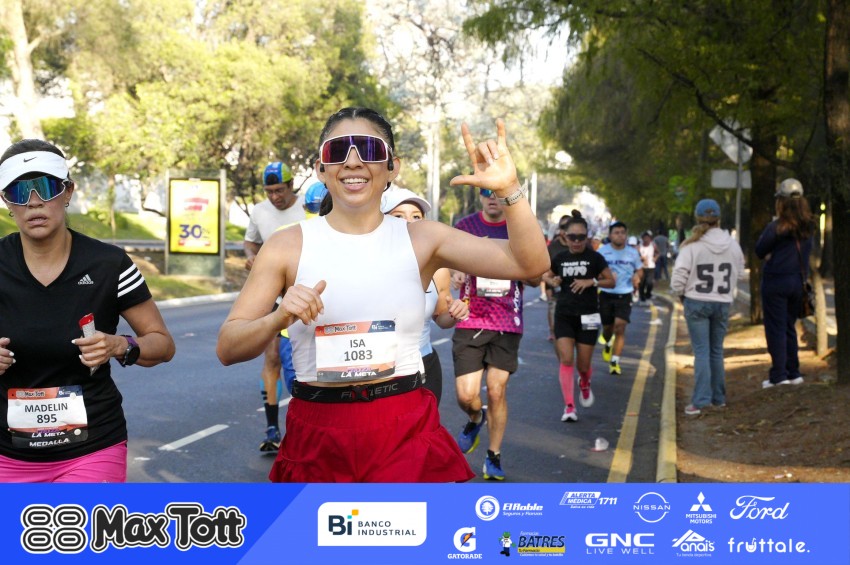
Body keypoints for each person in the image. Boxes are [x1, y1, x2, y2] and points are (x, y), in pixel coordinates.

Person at [216, 107, 548, 482]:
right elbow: (228, 347)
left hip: (404, 428)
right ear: (321, 168)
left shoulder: (422, 238)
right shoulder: (285, 246)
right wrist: (277, 318)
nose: (352, 162)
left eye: (369, 149)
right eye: (338, 150)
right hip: (317, 432)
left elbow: (531, 264)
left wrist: (509, 191)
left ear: (392, 167)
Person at [0, 139, 175, 482]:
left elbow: (163, 344)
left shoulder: (110, 264)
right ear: (7, 201)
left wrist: (120, 345)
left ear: (67, 191)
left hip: (92, 448)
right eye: (19, 192)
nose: (33, 202)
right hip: (7, 454)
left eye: (45, 187)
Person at [451, 187, 542, 481]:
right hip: (470, 318)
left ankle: (493, 456)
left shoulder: (520, 229)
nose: (491, 197)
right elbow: (446, 261)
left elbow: (536, 276)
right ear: (480, 195)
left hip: (506, 320)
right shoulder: (465, 227)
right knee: (466, 396)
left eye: (496, 192)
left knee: (496, 390)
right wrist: (455, 270)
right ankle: (476, 417)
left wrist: (514, 261)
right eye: (486, 192)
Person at [380, 186, 469, 402]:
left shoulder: (437, 270)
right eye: (398, 216)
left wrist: (455, 312)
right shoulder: (368, 265)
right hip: (379, 369)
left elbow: (442, 319)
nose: (409, 222)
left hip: (423, 364)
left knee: (424, 424)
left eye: (416, 216)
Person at [244, 161, 306, 452]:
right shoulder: (259, 211)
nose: (274, 197)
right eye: (269, 192)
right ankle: (272, 429)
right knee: (271, 359)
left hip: (305, 292)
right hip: (274, 295)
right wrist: (251, 257)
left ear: (291, 185)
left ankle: (303, 426)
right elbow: (250, 242)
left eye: (279, 190)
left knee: (303, 360)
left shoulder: (308, 206)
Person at [670, 199, 744, 415]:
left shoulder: (691, 246)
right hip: (722, 302)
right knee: (716, 351)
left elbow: (678, 277)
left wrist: (681, 294)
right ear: (719, 219)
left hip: (696, 301)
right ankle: (718, 398)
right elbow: (739, 273)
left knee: (701, 351)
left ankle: (701, 400)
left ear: (697, 218)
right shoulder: (733, 245)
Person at [542, 210, 614, 422]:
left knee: (583, 366)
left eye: (581, 237)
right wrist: (552, 280)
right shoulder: (560, 258)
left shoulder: (595, 258)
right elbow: (546, 274)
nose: (576, 241)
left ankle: (584, 382)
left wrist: (592, 281)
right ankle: (569, 407)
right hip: (564, 314)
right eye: (572, 237)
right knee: (566, 359)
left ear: (587, 236)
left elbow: (611, 281)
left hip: (588, 315)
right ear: (565, 237)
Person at [755, 178, 815, 388]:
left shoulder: (776, 227)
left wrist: (771, 254)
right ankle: (794, 372)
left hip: (775, 282)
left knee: (775, 328)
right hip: (797, 282)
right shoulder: (808, 227)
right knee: (789, 327)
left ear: (781, 202)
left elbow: (759, 250)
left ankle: (778, 375)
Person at [597, 221, 643, 375]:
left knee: (620, 327)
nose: (620, 235)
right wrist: (605, 277)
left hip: (625, 294)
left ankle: (615, 362)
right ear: (610, 235)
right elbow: (595, 272)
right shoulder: (602, 252)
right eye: (616, 233)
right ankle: (607, 342)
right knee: (608, 327)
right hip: (606, 293)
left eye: (623, 233)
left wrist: (637, 276)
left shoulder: (632, 253)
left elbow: (639, 270)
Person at [544, 215, 571, 341]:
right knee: (552, 308)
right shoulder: (552, 247)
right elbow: (545, 270)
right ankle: (553, 331)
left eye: (568, 227)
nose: (566, 231)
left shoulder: (578, 245)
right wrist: (549, 285)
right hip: (554, 287)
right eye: (563, 227)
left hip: (573, 290)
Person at [638, 231, 659, 302]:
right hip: (641, 267)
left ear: (650, 239)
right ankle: (642, 296)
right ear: (642, 238)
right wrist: (641, 258)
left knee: (649, 282)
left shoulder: (653, 245)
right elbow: (636, 255)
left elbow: (658, 253)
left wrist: (655, 258)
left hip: (651, 266)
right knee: (641, 283)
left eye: (648, 238)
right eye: (644, 238)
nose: (646, 239)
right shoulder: (639, 246)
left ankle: (648, 294)